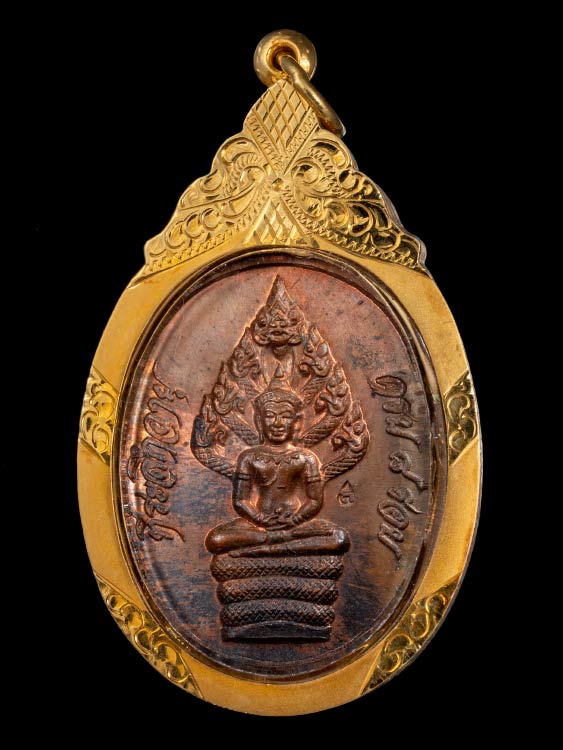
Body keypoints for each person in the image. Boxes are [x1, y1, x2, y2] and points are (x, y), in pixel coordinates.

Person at [206, 387, 349, 557]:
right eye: (270, 416)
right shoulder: (248, 457)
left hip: (296, 525)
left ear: (296, 422)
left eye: (286, 416)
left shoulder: (306, 458)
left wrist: (295, 519)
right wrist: (259, 519)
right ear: (259, 421)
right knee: (215, 539)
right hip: (258, 525)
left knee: (339, 539)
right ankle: (279, 541)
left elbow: (314, 500)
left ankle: (268, 546)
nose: (278, 423)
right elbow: (240, 500)